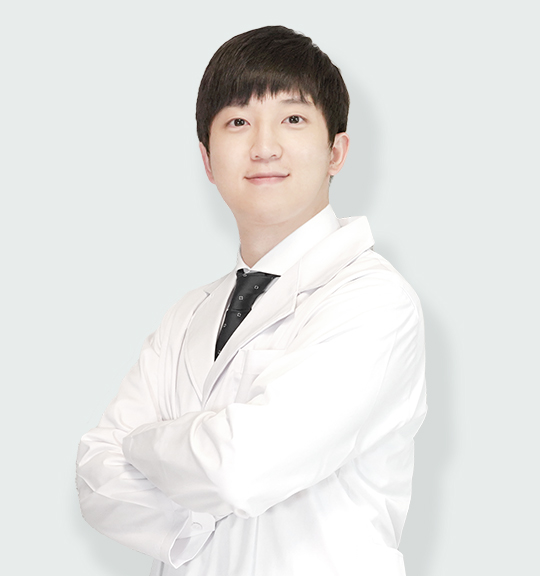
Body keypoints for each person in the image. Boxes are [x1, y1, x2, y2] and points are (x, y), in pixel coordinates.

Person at [76, 25, 427, 576]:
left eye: (293, 119)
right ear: (207, 160)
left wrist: (141, 445)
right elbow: (96, 477)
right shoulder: (186, 316)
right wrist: (197, 502)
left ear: (336, 152)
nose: (264, 147)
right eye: (238, 122)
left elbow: (243, 467)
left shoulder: (376, 302)